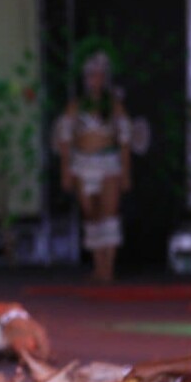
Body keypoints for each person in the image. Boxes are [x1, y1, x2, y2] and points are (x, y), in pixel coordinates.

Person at [54, 51, 132, 282]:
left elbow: (125, 140)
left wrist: (126, 172)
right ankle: (98, 265)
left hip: (108, 164)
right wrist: (65, 170)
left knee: (109, 212)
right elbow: (65, 139)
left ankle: (109, 267)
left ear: (105, 79)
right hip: (82, 164)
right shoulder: (76, 106)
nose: (94, 80)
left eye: (99, 76)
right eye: (91, 76)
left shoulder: (115, 106)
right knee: (90, 213)